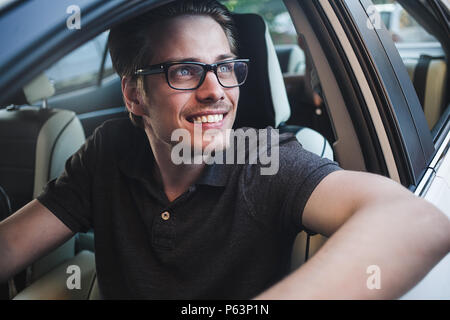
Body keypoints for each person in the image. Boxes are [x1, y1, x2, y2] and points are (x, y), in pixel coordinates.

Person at [0, 0, 449, 299]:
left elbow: (418, 220)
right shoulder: (109, 152)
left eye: (224, 68)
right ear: (134, 96)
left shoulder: (264, 158)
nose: (216, 91)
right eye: (184, 71)